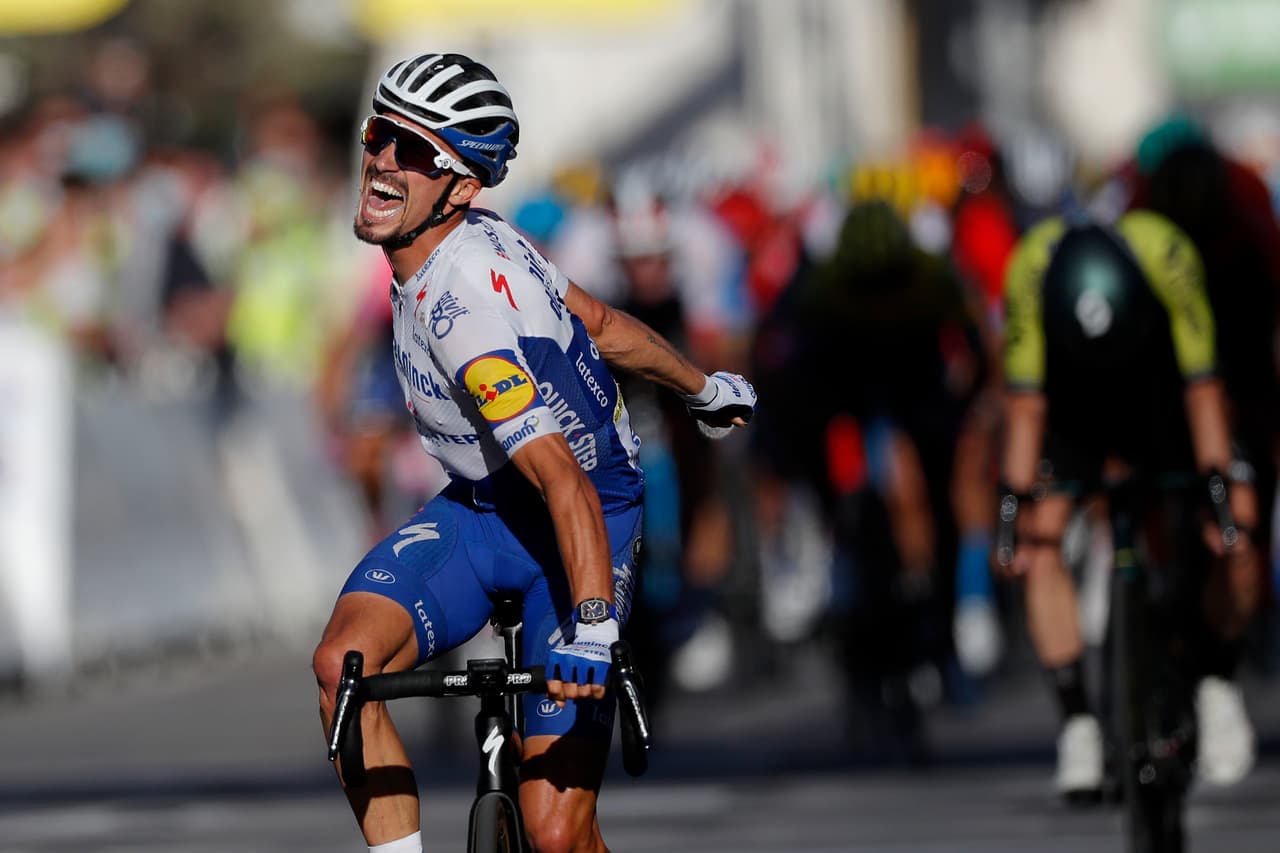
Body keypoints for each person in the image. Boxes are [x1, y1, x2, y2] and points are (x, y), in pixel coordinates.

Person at [310, 52, 756, 853]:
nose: (380, 161)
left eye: (414, 152)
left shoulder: (464, 317)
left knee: (556, 834)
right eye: (380, 135)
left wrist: (591, 627)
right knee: (343, 662)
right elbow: (603, 323)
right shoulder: (489, 236)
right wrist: (702, 388)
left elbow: (566, 484)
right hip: (486, 508)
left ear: (461, 188)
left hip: (580, 519)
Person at [997, 209, 1262, 799]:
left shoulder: (1168, 255)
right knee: (1041, 540)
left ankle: (1218, 682)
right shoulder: (1030, 272)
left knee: (1239, 524)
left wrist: (1219, 501)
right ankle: (1079, 726)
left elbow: (1203, 387)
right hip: (1070, 399)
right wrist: (1012, 515)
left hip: (1161, 385)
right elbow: (1026, 405)